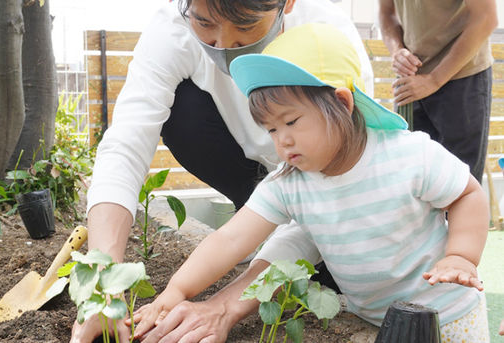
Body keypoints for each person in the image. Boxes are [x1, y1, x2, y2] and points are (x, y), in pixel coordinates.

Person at [131, 23, 491, 342]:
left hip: (450, 316)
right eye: (271, 128)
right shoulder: (291, 182)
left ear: (342, 103)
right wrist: (173, 292)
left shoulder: (408, 156)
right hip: (374, 321)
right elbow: (230, 239)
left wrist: (461, 256)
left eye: (291, 122)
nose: (281, 140)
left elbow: (467, 194)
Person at [71, 0, 374, 342]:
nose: (223, 46)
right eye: (204, 24)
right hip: (265, 180)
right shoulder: (171, 30)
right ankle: (258, 221)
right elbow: (125, 146)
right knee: (183, 113)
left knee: (329, 275)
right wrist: (103, 285)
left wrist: (226, 305)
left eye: (245, 28)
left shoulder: (329, 46)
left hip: (337, 205)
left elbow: (333, 196)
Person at [378, 0, 498, 184]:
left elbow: (486, 18)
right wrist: (397, 50)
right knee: (412, 182)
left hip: (462, 77)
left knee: (459, 188)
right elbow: (387, 12)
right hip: (411, 78)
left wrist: (434, 79)